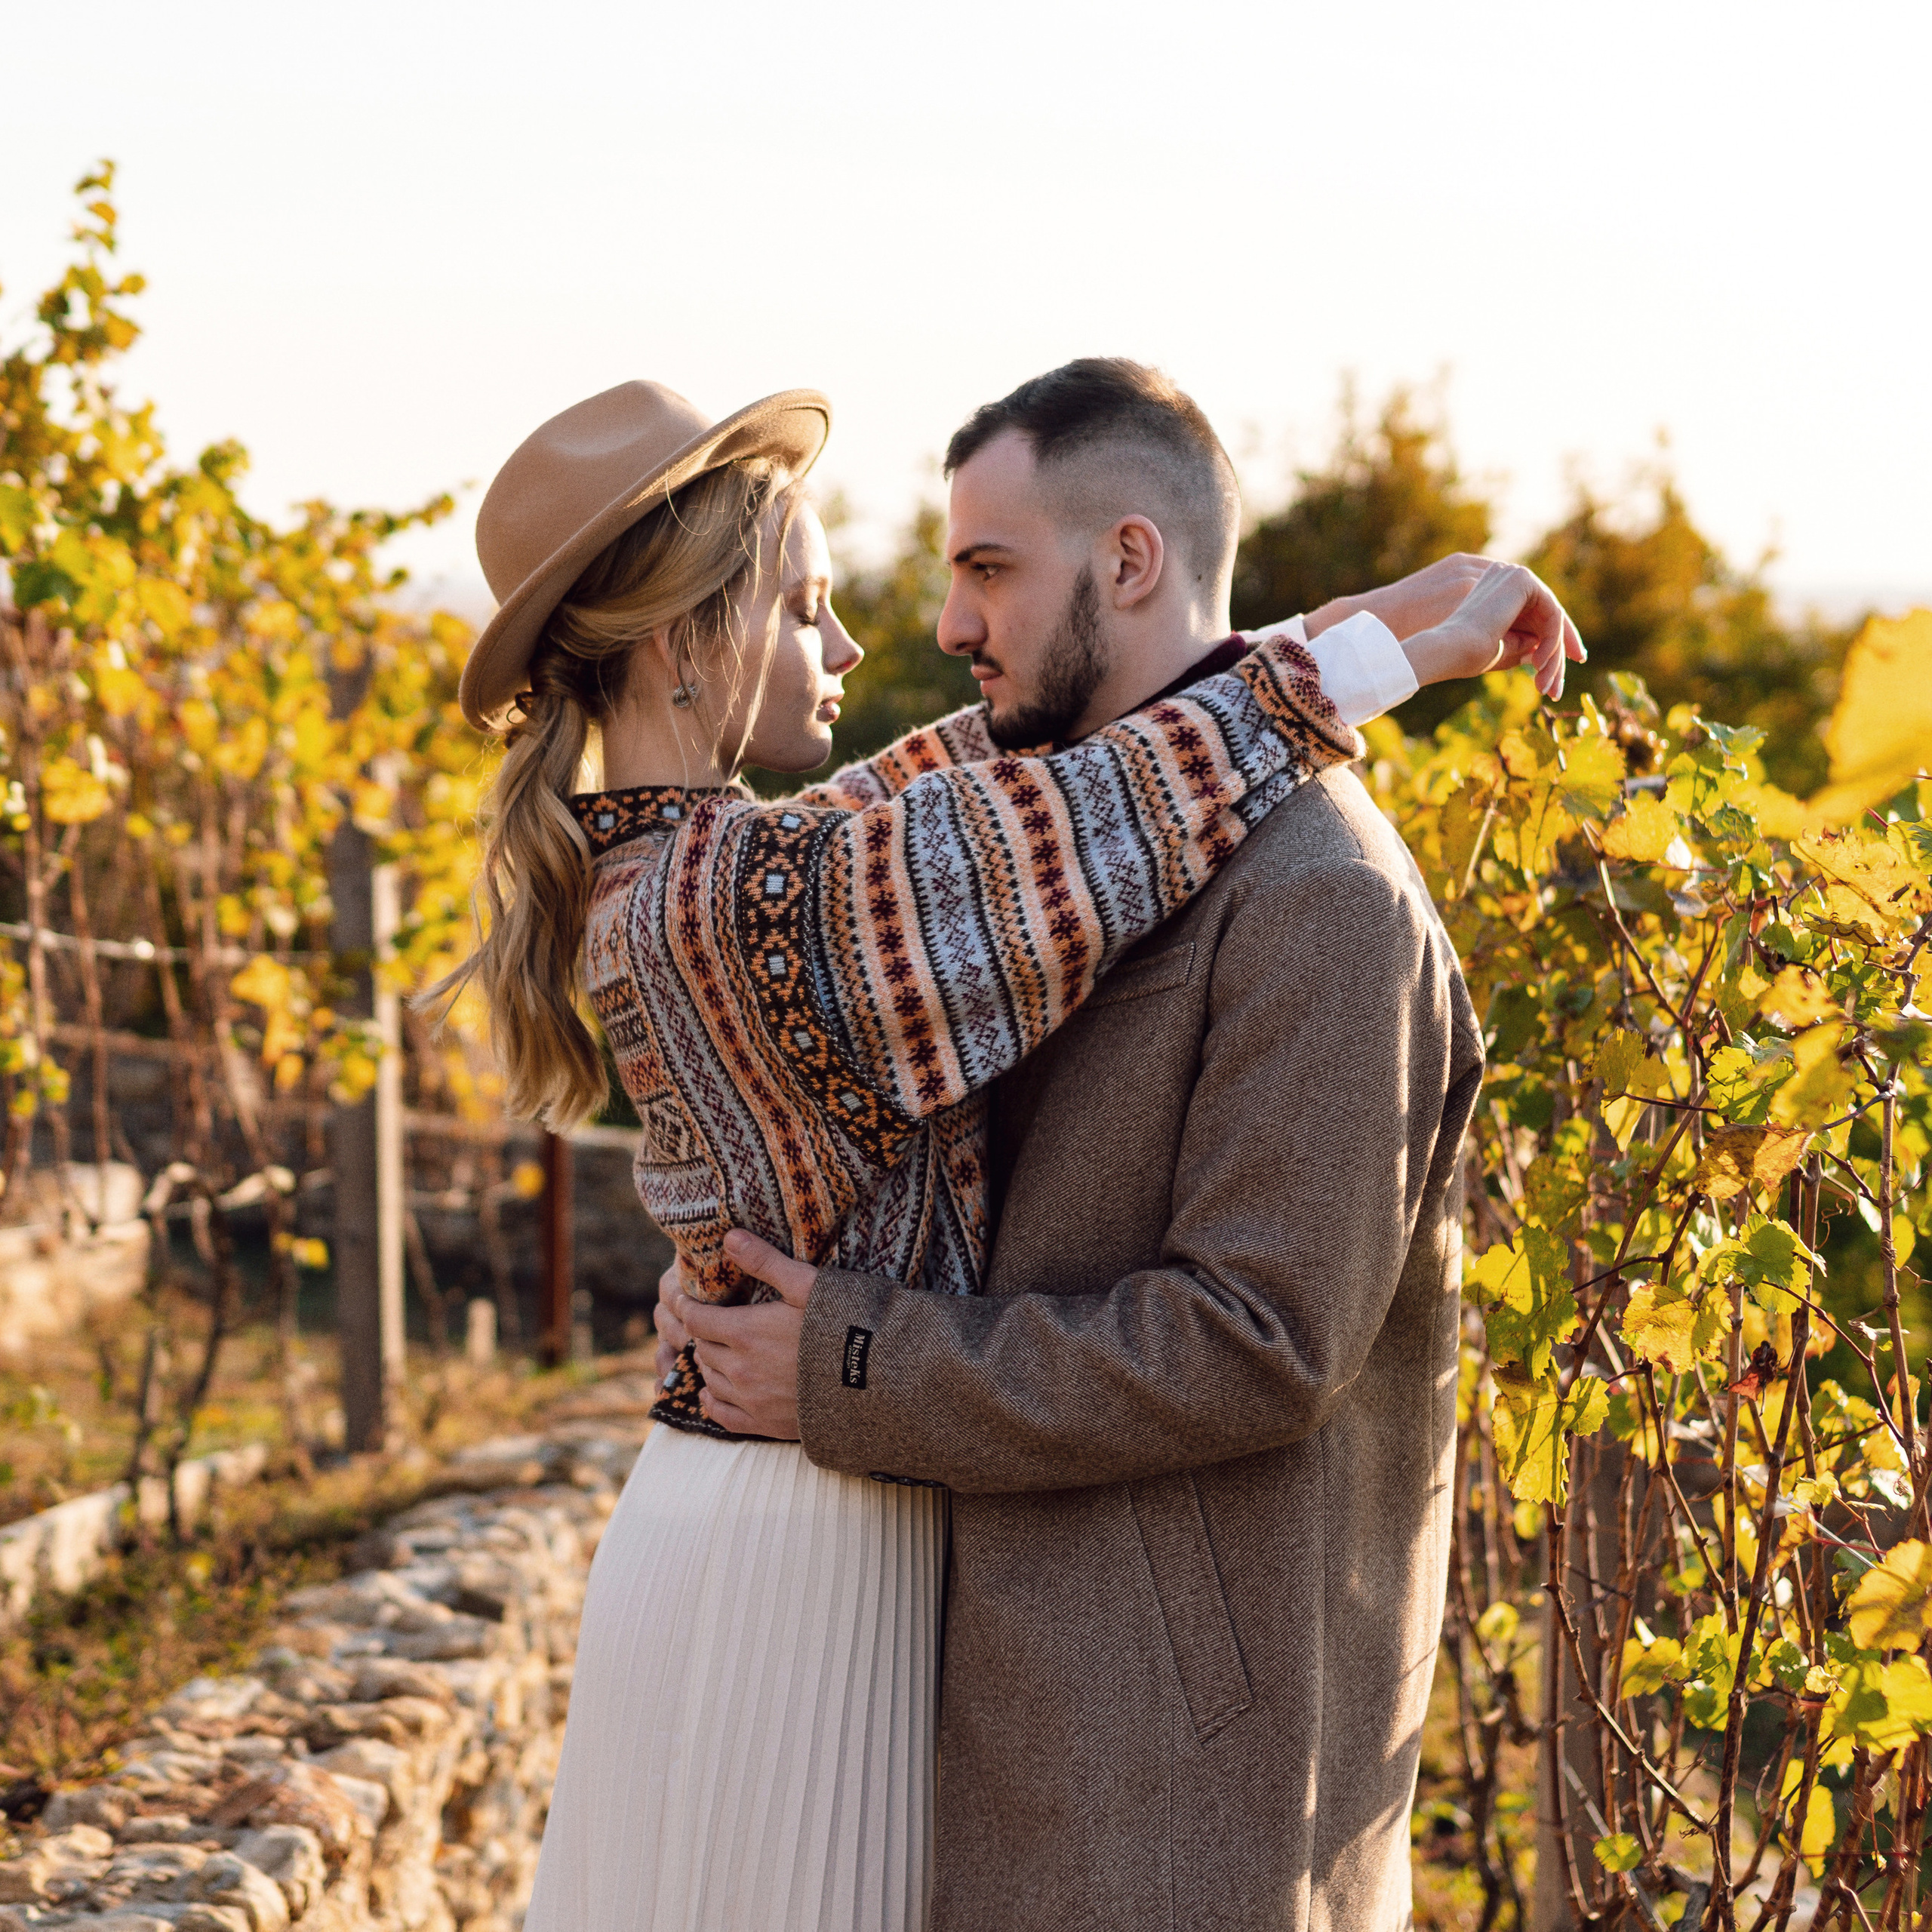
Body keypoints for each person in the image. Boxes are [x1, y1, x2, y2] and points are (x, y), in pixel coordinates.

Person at [444, 369, 1577, 1932]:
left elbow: (1012, 790)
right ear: (681, 639)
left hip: (891, 1568)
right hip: (801, 1547)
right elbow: (1075, 811)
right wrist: (1379, 650)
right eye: (807, 606)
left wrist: (1354, 632)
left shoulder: (748, 860)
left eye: (983, 571)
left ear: (1123, 561)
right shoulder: (754, 894)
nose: (902, 636)